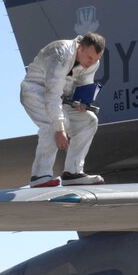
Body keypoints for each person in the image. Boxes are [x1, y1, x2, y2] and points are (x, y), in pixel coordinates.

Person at [20, 32, 106, 187]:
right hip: (36, 93)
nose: (91, 63)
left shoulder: (92, 62)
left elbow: (83, 84)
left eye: (96, 59)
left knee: (89, 120)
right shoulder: (60, 53)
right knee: (53, 124)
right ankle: (40, 175)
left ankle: (73, 173)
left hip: (61, 99)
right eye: (89, 58)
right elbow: (52, 94)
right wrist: (59, 129)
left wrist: (82, 102)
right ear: (80, 48)